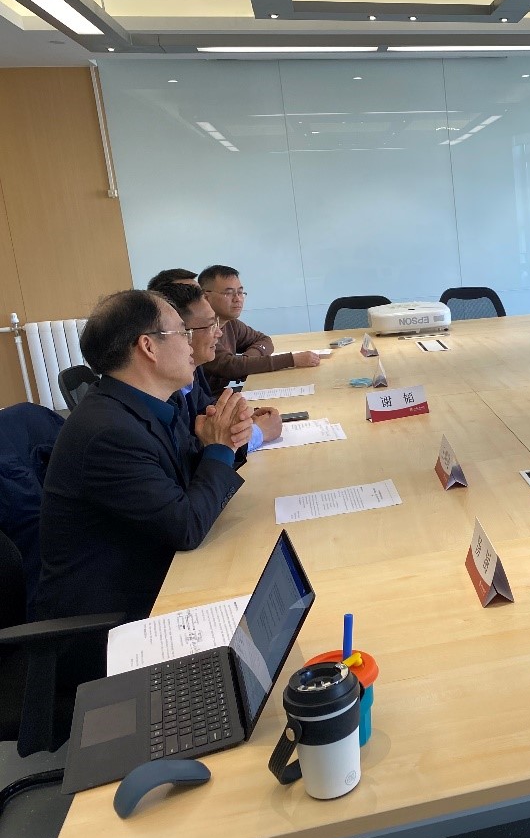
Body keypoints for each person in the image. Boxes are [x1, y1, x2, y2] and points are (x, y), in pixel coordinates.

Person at [37, 290, 252, 631]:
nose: (191, 344)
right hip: (114, 620)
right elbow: (186, 526)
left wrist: (228, 439)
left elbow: (183, 481)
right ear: (148, 347)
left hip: (157, 574)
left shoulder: (145, 405)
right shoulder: (108, 434)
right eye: (182, 332)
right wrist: (220, 447)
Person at [152, 281, 283, 450]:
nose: (219, 333)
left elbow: (209, 413)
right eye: (210, 325)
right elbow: (195, 450)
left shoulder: (191, 371)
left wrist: (243, 418)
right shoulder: (163, 391)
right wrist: (258, 433)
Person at [198, 264, 319, 395]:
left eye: (240, 292)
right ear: (206, 297)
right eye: (228, 293)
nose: (237, 299)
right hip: (207, 401)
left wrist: (247, 360)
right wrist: (292, 360)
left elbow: (264, 340)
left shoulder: (231, 323)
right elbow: (231, 367)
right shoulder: (199, 330)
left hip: (223, 394)